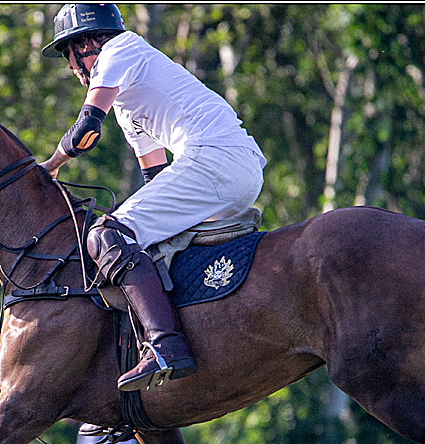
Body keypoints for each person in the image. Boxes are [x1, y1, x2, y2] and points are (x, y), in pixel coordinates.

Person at [39, 3, 267, 392]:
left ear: (86, 43)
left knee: (106, 236)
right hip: (235, 169)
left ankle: (165, 345)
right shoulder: (128, 103)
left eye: (67, 53)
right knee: (141, 238)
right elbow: (156, 176)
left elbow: (85, 130)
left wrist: (51, 165)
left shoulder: (119, 50)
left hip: (214, 160)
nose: (70, 67)